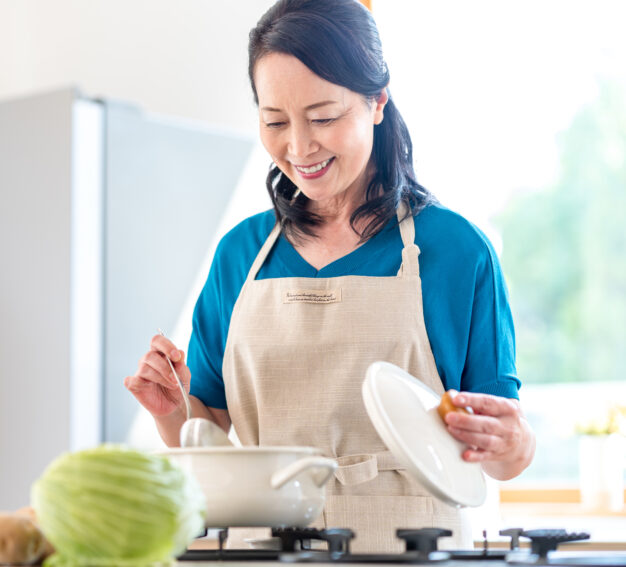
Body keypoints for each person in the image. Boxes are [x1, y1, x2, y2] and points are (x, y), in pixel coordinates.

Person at [124, 0, 535, 553]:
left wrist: (516, 442)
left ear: (377, 101)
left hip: (414, 551)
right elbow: (208, 433)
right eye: (274, 121)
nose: (298, 146)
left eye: (322, 117)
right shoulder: (240, 255)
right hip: (266, 550)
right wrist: (173, 411)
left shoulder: (457, 251)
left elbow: (504, 454)